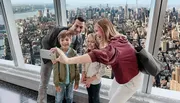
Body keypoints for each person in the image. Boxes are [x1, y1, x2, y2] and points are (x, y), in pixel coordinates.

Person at [51, 18, 143, 103]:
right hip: (123, 75)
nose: (95, 34)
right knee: (111, 94)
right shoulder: (119, 37)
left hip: (132, 79)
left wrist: (67, 60)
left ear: (103, 30)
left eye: (96, 31)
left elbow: (94, 55)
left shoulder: (110, 50)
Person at [37, 16, 85, 103]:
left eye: (81, 27)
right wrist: (52, 57)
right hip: (49, 60)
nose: (78, 29)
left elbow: (79, 52)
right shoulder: (58, 30)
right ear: (72, 23)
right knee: (44, 83)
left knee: (60, 83)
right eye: (76, 26)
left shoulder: (79, 38)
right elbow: (44, 41)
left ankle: (58, 100)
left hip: (63, 62)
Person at [52, 30, 79, 103]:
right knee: (59, 99)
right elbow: (55, 70)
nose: (64, 42)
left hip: (71, 81)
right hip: (60, 81)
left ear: (71, 40)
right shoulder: (56, 53)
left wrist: (77, 81)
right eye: (62, 40)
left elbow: (76, 68)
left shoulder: (73, 52)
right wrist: (56, 84)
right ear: (59, 41)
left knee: (70, 98)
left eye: (67, 39)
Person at [81, 33, 106, 103]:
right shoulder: (86, 52)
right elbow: (83, 64)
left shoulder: (100, 55)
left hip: (95, 81)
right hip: (87, 79)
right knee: (90, 97)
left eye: (92, 42)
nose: (89, 43)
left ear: (96, 43)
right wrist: (83, 75)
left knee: (95, 99)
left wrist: (91, 79)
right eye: (88, 41)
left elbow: (102, 71)